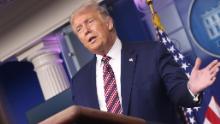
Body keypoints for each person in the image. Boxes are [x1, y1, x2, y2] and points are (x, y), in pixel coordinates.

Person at [70, 1, 220, 123]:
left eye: (89, 22)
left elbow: (178, 93)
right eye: (79, 29)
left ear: (109, 23)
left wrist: (191, 88)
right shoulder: (79, 82)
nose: (86, 30)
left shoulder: (152, 53)